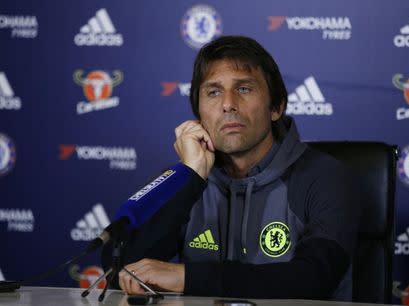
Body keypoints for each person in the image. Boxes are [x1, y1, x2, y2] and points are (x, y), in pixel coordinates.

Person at [103, 35, 360, 301]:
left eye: (244, 89)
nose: (228, 104)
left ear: (276, 108)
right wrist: (190, 179)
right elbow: (117, 269)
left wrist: (187, 277)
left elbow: (313, 279)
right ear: (199, 115)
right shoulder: (188, 180)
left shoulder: (326, 177)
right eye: (213, 92)